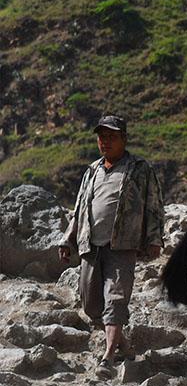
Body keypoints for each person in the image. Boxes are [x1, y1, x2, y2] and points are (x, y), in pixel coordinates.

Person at [58, 115, 164, 370]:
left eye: (111, 137)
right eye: (102, 137)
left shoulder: (139, 168)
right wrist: (67, 240)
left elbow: (154, 204)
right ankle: (124, 346)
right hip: (91, 245)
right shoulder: (92, 170)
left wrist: (154, 237)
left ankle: (107, 357)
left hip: (123, 244)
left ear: (124, 139)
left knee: (115, 299)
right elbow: (80, 208)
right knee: (91, 305)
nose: (105, 142)